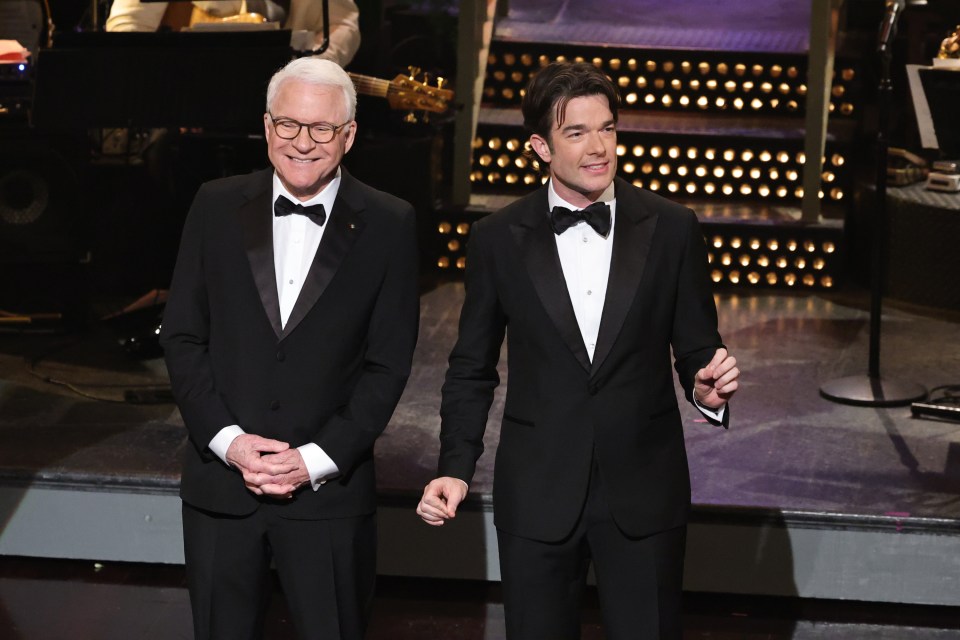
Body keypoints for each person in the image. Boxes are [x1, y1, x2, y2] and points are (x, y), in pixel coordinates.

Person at [416, 61, 740, 640]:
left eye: (608, 128)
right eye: (577, 132)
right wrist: (456, 467)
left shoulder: (671, 228)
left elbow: (697, 347)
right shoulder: (497, 238)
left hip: (644, 494)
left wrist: (703, 387)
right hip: (537, 493)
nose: (599, 148)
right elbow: (471, 367)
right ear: (540, 145)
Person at [159, 57, 418, 639]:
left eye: (321, 129)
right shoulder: (214, 204)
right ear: (267, 126)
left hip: (330, 496)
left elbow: (388, 364)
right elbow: (182, 335)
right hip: (221, 487)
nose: (303, 143)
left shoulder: (390, 222)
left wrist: (316, 459)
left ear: (348, 135)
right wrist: (229, 442)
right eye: (288, 125)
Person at [106, 0, 361, 67]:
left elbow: (343, 25)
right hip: (184, 113)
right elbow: (126, 31)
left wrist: (310, 68)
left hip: (279, 113)